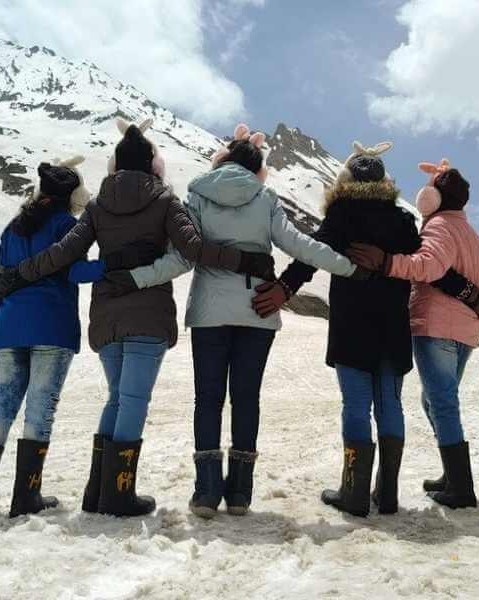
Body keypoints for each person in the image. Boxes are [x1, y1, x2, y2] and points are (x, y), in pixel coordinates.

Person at [0, 119, 275, 518]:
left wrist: (20, 273)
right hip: (147, 314)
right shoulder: (165, 201)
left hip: (107, 315)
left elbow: (63, 253)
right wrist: (245, 259)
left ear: (114, 165)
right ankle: (118, 493)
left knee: (116, 398)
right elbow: (194, 248)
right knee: (133, 401)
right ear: (153, 165)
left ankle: (98, 490)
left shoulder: (96, 206)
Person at [123, 124, 370, 519]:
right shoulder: (265, 198)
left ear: (224, 160)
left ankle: (206, 493)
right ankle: (239, 494)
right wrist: (348, 268)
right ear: (258, 169)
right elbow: (300, 245)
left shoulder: (198, 195)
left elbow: (184, 256)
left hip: (209, 311)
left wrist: (134, 278)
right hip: (258, 310)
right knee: (246, 398)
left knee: (207, 399)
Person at [252, 142, 479, 517]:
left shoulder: (342, 215)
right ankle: (388, 493)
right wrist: (469, 294)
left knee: (356, 405)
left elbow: (311, 254)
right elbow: (427, 266)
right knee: (390, 404)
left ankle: (354, 492)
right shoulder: (402, 220)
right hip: (392, 325)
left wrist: (284, 288)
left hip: (352, 323)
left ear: (346, 179)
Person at [0, 157, 147, 522]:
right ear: (72, 195)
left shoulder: (13, 228)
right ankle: (26, 495)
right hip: (51, 325)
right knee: (39, 409)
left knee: (0, 405)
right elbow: (75, 272)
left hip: (7, 326)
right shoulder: (67, 225)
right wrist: (115, 263)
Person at [348, 159, 479, 509]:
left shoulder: (439, 227)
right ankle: (451, 475)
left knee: (441, 401)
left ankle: (460, 487)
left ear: (432, 199)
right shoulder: (469, 232)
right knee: (436, 400)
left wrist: (386, 263)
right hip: (465, 328)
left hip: (437, 323)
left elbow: (428, 266)